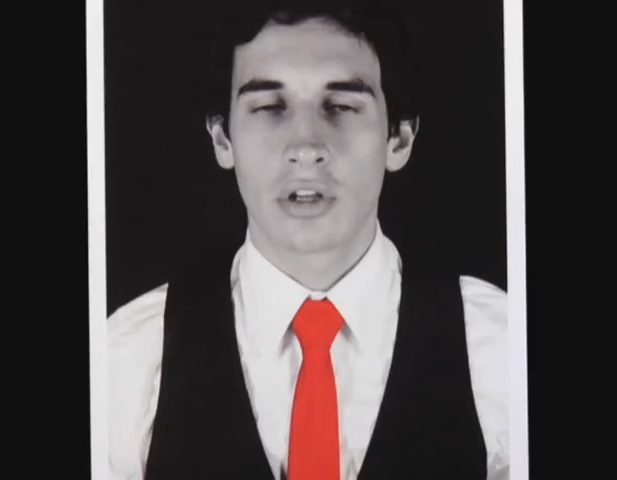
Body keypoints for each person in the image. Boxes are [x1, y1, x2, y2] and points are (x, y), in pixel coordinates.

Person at [107, 1, 509, 479]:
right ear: (222, 139)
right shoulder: (129, 362)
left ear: (399, 138)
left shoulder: (499, 351)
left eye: (341, 106)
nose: (306, 147)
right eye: (269, 107)